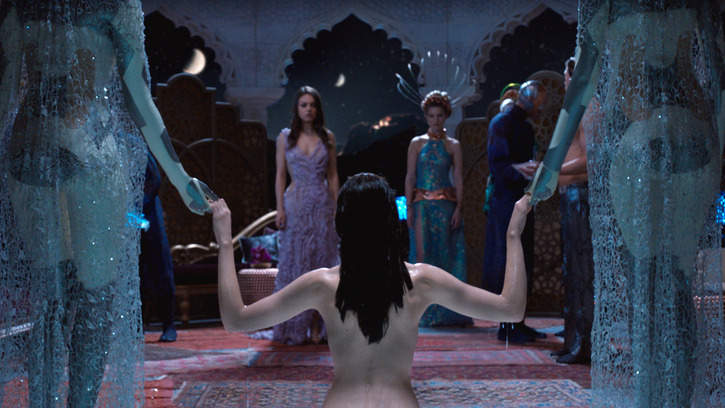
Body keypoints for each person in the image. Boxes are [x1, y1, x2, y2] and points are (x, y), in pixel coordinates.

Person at [0, 1, 213, 406]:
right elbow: (138, 97)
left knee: (51, 301)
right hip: (90, 157)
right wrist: (180, 178)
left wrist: (180, 179)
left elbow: (5, 90)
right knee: (92, 299)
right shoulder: (115, 3)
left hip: (32, 156)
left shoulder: (18, 4)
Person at [527, 1, 725, 406]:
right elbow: (719, 75)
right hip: (696, 142)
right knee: (678, 281)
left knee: (645, 285)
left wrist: (550, 166)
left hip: (635, 144)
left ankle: (654, 398)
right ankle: (676, 401)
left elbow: (583, 79)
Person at [212, 173, 530, 408]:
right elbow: (511, 309)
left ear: (342, 224)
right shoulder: (420, 281)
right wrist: (514, 234)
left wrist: (225, 242)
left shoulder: (322, 285)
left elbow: (236, 320)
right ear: (392, 221)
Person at [273, 85, 339, 344]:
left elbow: (333, 176)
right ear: (297, 109)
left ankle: (319, 325)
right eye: (304, 105)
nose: (308, 109)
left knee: (322, 263)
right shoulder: (285, 137)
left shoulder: (328, 137)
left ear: (318, 109)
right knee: (297, 265)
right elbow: (280, 175)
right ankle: (296, 325)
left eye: (312, 105)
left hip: (322, 207)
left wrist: (338, 207)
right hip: (296, 206)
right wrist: (280, 208)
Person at [482, 80, 547, 343]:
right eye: (540, 104)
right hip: (505, 204)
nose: (541, 110)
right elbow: (498, 166)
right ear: (528, 100)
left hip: (522, 200)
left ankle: (519, 321)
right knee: (506, 260)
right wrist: (519, 169)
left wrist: (528, 170)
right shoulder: (501, 122)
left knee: (523, 260)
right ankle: (506, 325)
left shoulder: (526, 126)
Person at [405, 90, 472, 327]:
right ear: (426, 117)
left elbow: (459, 178)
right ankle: (421, 311)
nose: (435, 120)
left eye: (440, 116)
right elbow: (410, 177)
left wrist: (459, 208)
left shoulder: (453, 145)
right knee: (422, 257)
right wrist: (409, 207)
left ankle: (446, 312)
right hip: (422, 206)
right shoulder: (416, 143)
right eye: (432, 116)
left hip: (445, 207)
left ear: (446, 117)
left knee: (445, 256)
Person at [552, 57, 595, 364]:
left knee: (582, 274)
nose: (565, 81)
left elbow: (592, 158)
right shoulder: (575, 107)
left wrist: (552, 169)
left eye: (567, 75)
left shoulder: (591, 107)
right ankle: (573, 341)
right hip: (570, 196)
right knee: (571, 274)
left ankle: (584, 344)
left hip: (581, 195)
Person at [139, 151, 177, 343]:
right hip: (126, 215)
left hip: (149, 213)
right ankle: (137, 327)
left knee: (160, 268)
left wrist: (138, 203)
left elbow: (155, 180)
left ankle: (169, 324)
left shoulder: (136, 144)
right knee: (136, 272)